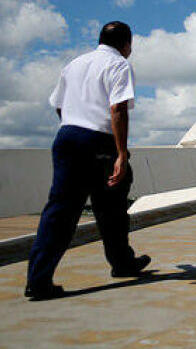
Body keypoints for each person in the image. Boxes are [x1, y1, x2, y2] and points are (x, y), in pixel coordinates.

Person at [25, 22, 150, 300]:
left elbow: (58, 104)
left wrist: (75, 127)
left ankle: (38, 279)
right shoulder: (118, 65)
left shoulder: (74, 64)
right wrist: (120, 153)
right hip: (99, 141)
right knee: (113, 206)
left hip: (67, 136)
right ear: (126, 44)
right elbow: (117, 109)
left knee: (60, 211)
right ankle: (122, 263)